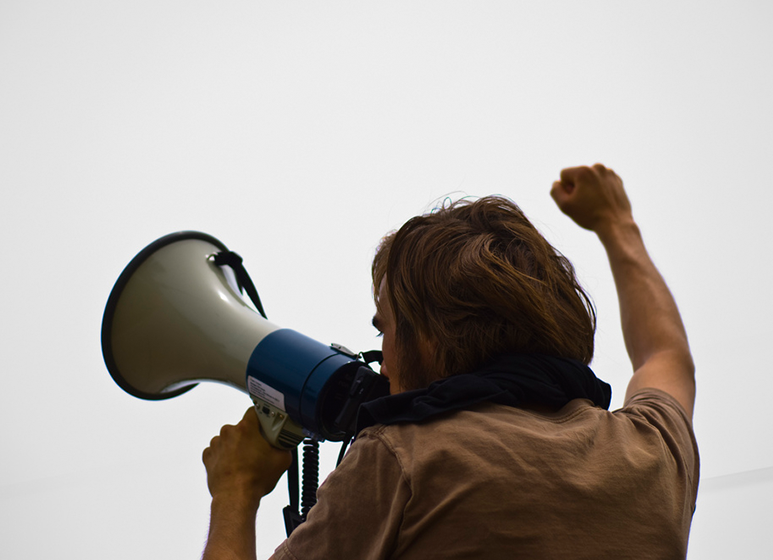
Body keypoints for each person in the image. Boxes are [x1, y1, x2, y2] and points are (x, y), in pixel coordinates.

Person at [201, 164, 699, 559]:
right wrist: (616, 224)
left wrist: (235, 492)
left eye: (385, 329)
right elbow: (665, 354)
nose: (384, 366)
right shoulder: (651, 449)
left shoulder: (401, 458)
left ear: (430, 338)